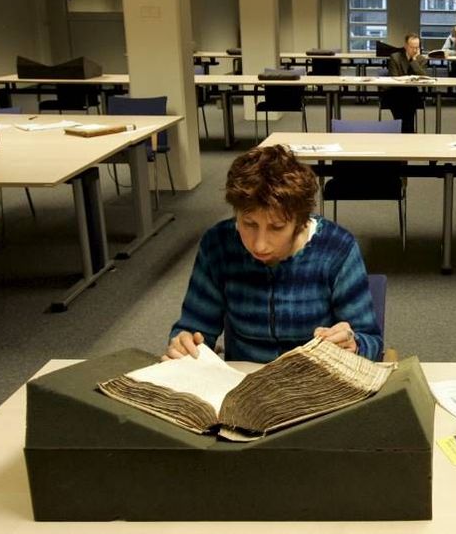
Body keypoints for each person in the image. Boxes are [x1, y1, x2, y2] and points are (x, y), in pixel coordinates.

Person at [165, 145, 382, 363]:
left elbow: (372, 342)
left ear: (300, 221)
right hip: (244, 385)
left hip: (314, 384)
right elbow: (194, 327)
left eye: (276, 227)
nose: (259, 245)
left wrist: (355, 345)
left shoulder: (337, 249)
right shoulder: (218, 245)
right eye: (248, 223)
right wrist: (183, 342)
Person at [385, 32, 428, 133]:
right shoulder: (395, 57)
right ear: (405, 46)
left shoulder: (421, 59)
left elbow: (423, 76)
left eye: (417, 47)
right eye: (412, 47)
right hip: (396, 93)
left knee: (408, 117)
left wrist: (413, 60)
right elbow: (394, 77)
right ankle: (404, 133)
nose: (414, 50)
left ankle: (407, 134)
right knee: (402, 118)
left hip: (411, 94)